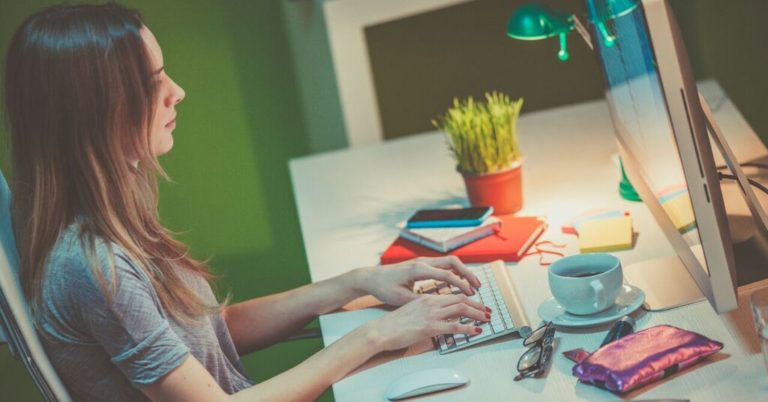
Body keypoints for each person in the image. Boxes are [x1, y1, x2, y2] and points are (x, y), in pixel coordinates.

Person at [3, 3, 491, 401]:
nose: (178, 92)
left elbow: (212, 332)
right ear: (97, 113)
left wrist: (357, 282)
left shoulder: (110, 221)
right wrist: (375, 337)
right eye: (152, 83)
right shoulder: (93, 267)